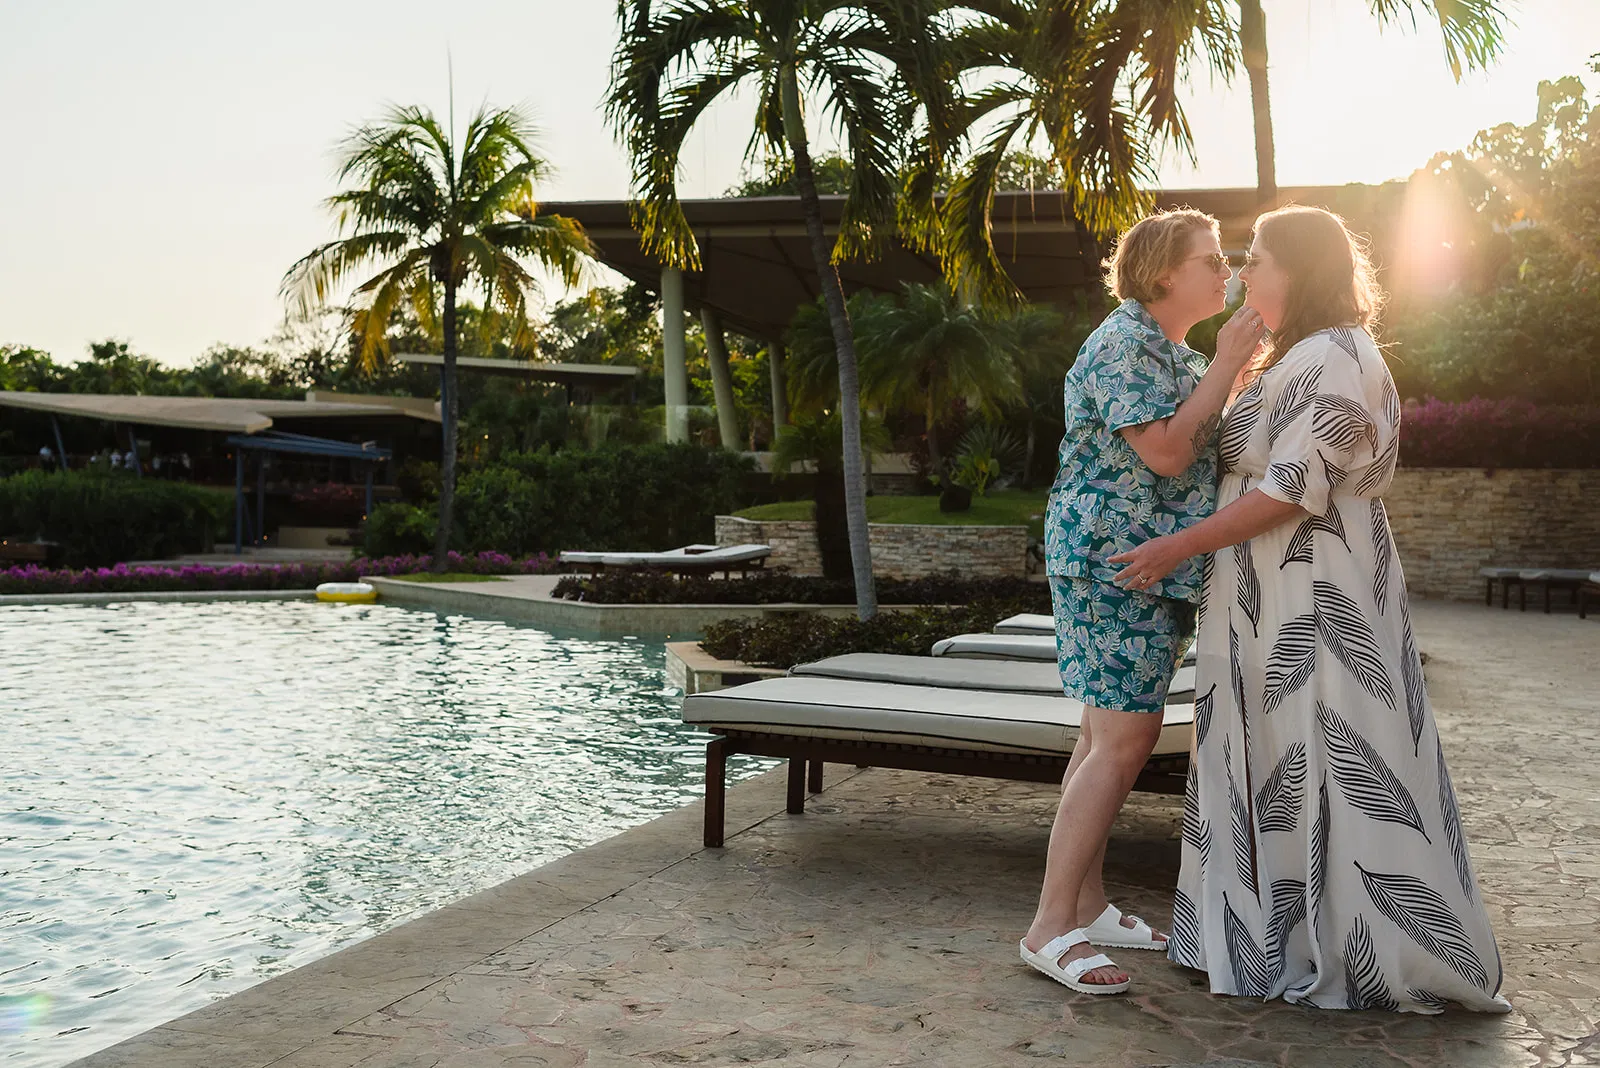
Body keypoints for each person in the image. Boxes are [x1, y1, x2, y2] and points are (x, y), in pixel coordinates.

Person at [1109, 206, 1510, 1013]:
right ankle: (1257, 937)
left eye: (1256, 259)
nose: (1242, 274)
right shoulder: (1292, 354)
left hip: (1315, 592)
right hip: (1264, 594)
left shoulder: (1334, 355)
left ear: (1301, 268)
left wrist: (1173, 548)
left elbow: (1292, 489)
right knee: (1273, 758)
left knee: (1329, 755)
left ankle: (1348, 947)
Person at [1020, 209, 1267, 995]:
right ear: (1164, 272)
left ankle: (1085, 906)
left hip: (1139, 567)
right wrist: (1230, 363)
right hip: (1116, 565)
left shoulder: (1169, 350)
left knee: (1103, 736)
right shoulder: (1128, 342)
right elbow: (1164, 453)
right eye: (1210, 258)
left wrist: (1227, 367)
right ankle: (1049, 927)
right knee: (1125, 740)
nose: (1224, 269)